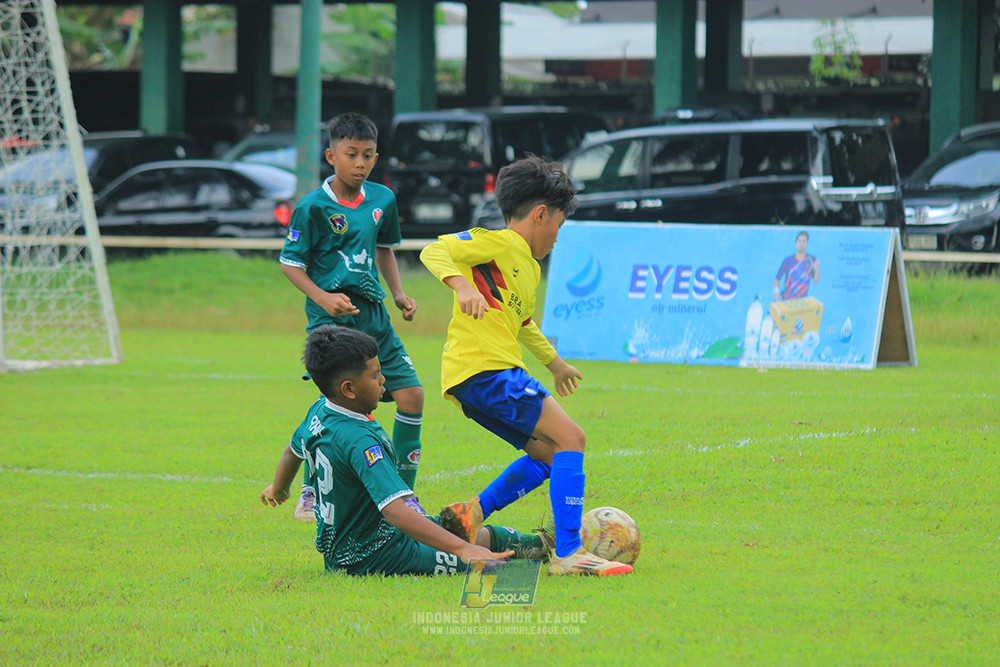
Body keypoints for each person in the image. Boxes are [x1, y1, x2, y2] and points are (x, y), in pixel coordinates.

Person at [419, 156, 633, 577]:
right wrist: (460, 285)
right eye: (558, 224)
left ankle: (472, 513)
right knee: (572, 437)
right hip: (487, 370)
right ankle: (570, 552)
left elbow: (523, 323)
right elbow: (434, 248)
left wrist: (555, 364)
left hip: (476, 380)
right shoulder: (499, 243)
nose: (557, 236)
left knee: (550, 454)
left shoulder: (529, 268)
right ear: (540, 214)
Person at [259, 325, 553, 576]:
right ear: (349, 389)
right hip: (374, 556)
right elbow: (396, 512)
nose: (383, 381)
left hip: (358, 545)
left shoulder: (319, 411)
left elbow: (291, 451)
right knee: (485, 565)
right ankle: (542, 555)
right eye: (375, 376)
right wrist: (463, 550)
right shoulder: (360, 441)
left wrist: (278, 488)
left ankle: (546, 545)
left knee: (471, 531)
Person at [280, 113, 424, 521]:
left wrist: (398, 294)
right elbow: (290, 264)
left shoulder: (382, 200)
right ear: (331, 156)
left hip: (375, 318)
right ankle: (310, 489)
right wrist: (324, 299)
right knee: (337, 408)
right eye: (351, 155)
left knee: (412, 396)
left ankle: (402, 493)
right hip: (333, 325)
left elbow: (384, 249)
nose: (360, 163)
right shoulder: (311, 207)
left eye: (367, 156)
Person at [774, 230, 820, 301]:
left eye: (804, 241)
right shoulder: (787, 261)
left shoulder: (810, 261)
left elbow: (816, 280)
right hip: (787, 301)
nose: (801, 244)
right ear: (796, 243)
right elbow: (777, 280)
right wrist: (776, 293)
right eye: (799, 241)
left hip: (802, 304)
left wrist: (817, 267)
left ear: (807, 243)